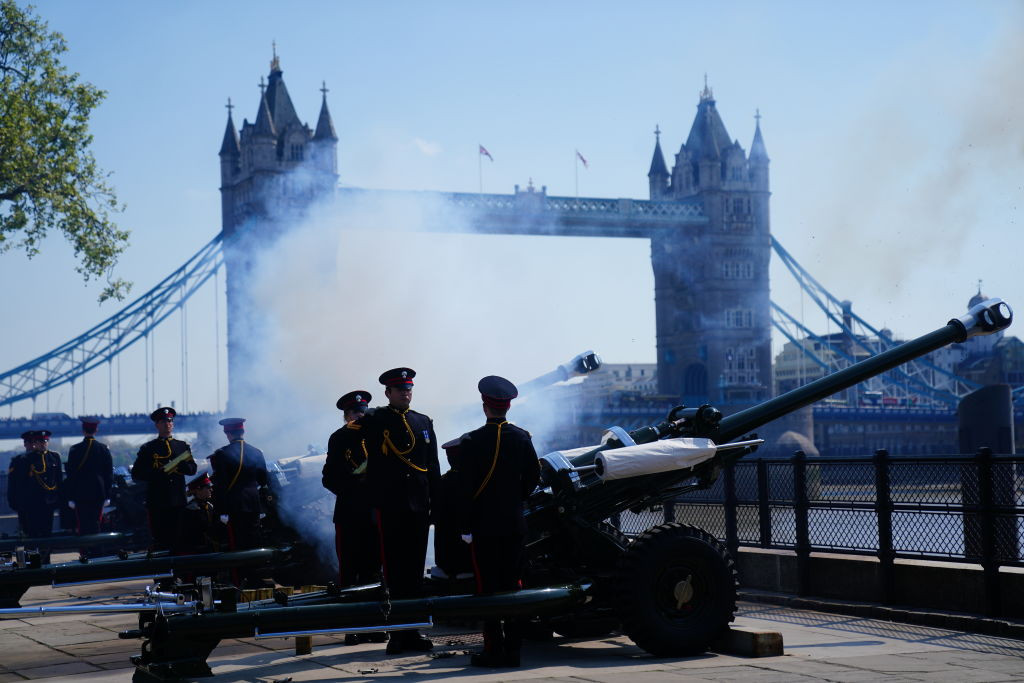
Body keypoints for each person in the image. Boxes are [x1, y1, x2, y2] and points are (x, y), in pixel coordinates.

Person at [456, 375, 540, 668]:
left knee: (487, 589)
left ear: (485, 406)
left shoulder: (472, 441)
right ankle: (514, 650)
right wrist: (515, 500)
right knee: (514, 586)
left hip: (484, 526)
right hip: (514, 523)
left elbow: (465, 490)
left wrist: (465, 526)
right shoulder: (522, 437)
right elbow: (533, 477)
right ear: (508, 406)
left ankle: (493, 650)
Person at [362, 367, 440, 655]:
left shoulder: (423, 421)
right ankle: (398, 633)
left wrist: (436, 503)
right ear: (388, 393)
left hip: (418, 505)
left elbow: (432, 466)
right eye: (400, 389)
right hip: (391, 505)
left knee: (415, 571)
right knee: (395, 571)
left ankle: (414, 630)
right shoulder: (375, 419)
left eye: (409, 389)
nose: (406, 393)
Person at [322, 390, 385, 645]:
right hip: (349, 513)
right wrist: (354, 488)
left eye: (363, 412)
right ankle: (352, 627)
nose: (360, 416)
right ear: (347, 416)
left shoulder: (378, 433)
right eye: (355, 413)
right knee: (349, 572)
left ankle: (377, 625)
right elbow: (329, 478)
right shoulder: (339, 438)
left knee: (374, 571)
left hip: (375, 513)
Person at [131, 407, 197, 551]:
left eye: (170, 420)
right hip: (158, 501)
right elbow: (136, 474)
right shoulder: (148, 448)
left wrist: (182, 466)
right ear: (157, 425)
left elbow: (193, 469)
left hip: (178, 500)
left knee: (179, 539)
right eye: (163, 421)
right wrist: (158, 473)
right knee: (161, 540)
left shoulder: (182, 446)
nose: (167, 424)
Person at [208, 417, 268, 551]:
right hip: (253, 504)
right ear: (243, 431)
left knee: (237, 544)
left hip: (233, 506)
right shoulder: (257, 452)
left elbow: (221, 485)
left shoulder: (221, 454)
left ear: (227, 434)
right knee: (254, 542)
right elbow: (263, 480)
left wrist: (220, 511)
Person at [6, 430, 63, 538]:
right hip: (30, 503)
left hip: (48, 502)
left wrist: (59, 499)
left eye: (44, 441)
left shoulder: (53, 457)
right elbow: (17, 484)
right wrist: (15, 503)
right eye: (33, 442)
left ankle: (44, 549)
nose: (34, 445)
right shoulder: (24, 460)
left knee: (46, 534)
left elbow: (58, 479)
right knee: (30, 535)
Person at [64, 417, 114, 538]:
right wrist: (107, 495)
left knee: (83, 525)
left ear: (83, 430)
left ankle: (85, 548)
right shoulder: (103, 449)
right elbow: (108, 474)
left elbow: (71, 475)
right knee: (96, 524)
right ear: (96, 430)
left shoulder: (75, 449)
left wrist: (70, 496)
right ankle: (96, 548)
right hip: (98, 493)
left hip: (80, 493)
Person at [175, 472, 226, 555]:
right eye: (208, 487)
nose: (211, 490)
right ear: (198, 489)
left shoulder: (209, 506)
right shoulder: (189, 510)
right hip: (198, 552)